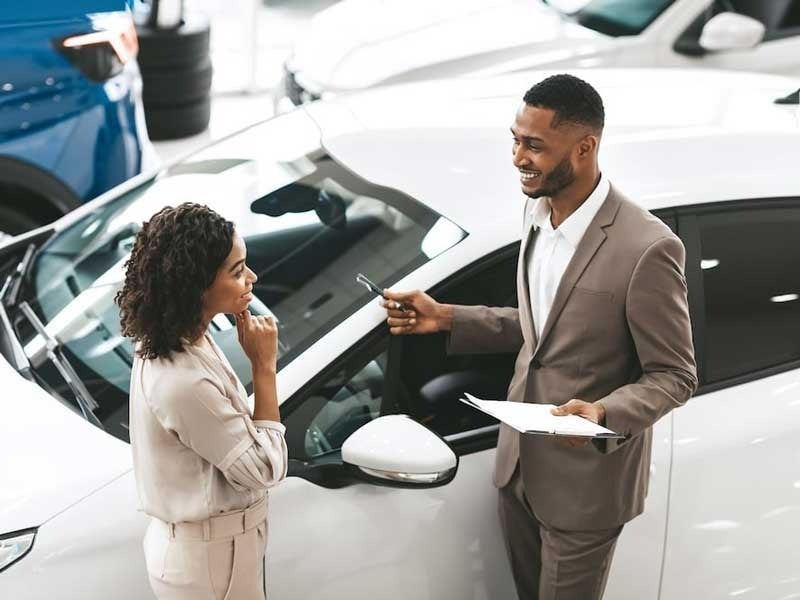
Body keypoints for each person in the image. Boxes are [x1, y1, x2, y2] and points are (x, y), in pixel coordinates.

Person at [381, 74, 697, 599]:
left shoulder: (648, 249)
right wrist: (448, 318)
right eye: (514, 140)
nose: (517, 158)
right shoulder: (536, 210)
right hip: (518, 464)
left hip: (586, 484)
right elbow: (547, 329)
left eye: (534, 145)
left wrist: (602, 414)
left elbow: (675, 375)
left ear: (585, 147)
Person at [117, 203, 287, 600]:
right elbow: (265, 470)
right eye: (237, 271)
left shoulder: (179, 336)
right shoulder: (184, 380)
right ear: (197, 285)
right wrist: (264, 367)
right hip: (212, 564)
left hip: (213, 551)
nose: (252, 278)